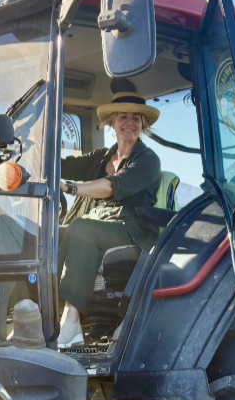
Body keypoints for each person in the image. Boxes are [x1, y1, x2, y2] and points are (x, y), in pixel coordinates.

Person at [57, 87, 161, 347]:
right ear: (113, 122)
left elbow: (111, 186)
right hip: (100, 221)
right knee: (52, 232)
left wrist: (70, 187)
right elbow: (58, 165)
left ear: (142, 124)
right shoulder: (101, 157)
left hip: (131, 228)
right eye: (123, 116)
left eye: (136, 118)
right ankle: (42, 315)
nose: (129, 122)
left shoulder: (148, 160)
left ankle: (70, 322)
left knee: (81, 228)